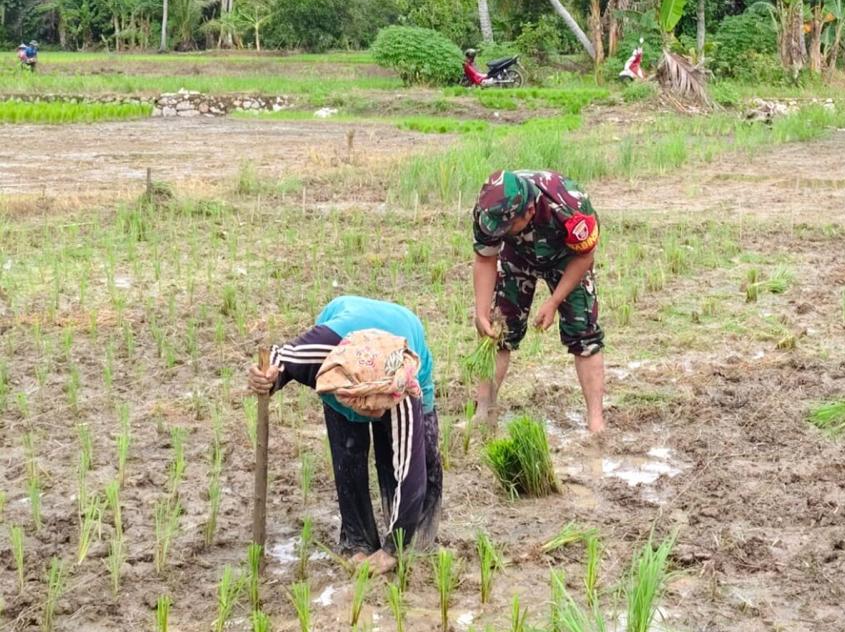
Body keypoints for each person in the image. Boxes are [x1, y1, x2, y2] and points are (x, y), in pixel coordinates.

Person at [247, 295, 442, 575]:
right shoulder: (322, 354)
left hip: (404, 340)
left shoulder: (405, 387)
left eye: (375, 406)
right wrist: (267, 378)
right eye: (362, 404)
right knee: (348, 449)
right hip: (343, 355)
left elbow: (412, 473)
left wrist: (392, 550)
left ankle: (415, 543)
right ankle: (357, 541)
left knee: (419, 457)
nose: (369, 412)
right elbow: (279, 359)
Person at [471, 169, 605, 432]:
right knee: (496, 333)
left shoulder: (570, 205)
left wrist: (554, 301)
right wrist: (481, 312)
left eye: (507, 227)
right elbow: (485, 257)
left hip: (567, 257)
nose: (499, 231)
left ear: (529, 211)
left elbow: (584, 257)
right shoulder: (490, 212)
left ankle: (596, 423)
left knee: (584, 334)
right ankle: (483, 412)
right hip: (517, 255)